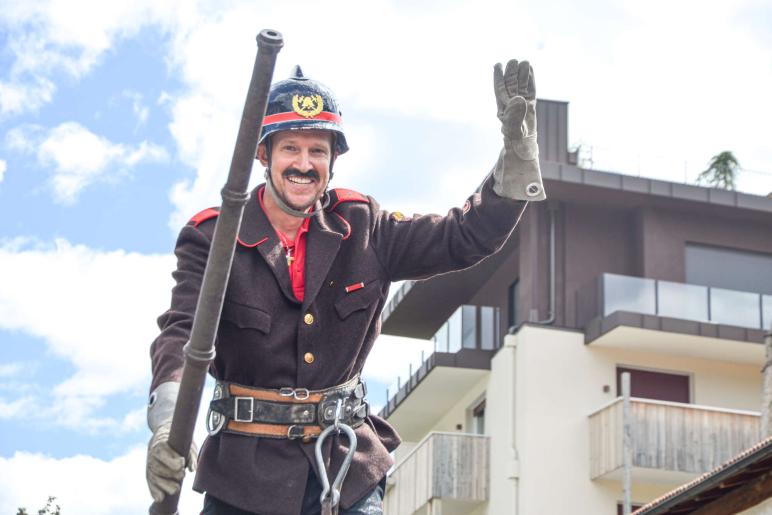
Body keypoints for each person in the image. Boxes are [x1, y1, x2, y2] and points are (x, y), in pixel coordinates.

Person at [146, 60, 545, 515]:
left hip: (345, 467)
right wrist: (167, 425)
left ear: (333, 160)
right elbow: (181, 336)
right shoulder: (212, 238)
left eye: (317, 150)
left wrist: (517, 156)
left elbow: (464, 236)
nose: (303, 164)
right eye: (290, 148)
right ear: (263, 156)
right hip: (244, 480)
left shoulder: (364, 225)